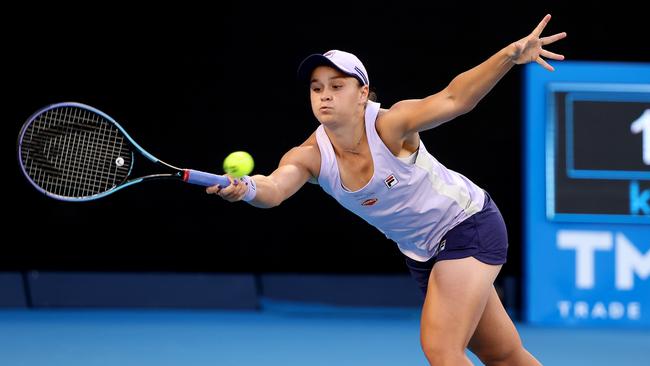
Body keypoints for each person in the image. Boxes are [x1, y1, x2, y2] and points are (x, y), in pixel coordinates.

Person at [208, 14, 565, 366]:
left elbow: (456, 99)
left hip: (467, 224)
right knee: (501, 354)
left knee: (441, 349)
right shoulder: (310, 156)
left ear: (362, 93)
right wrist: (247, 188)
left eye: (336, 86)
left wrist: (509, 55)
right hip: (422, 253)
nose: (324, 96)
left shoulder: (392, 125)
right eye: (317, 88)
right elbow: (275, 187)